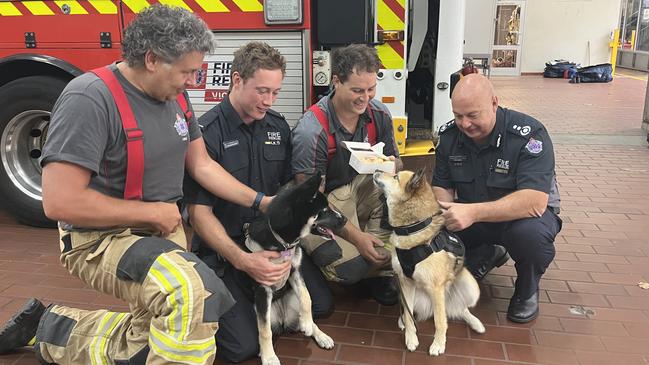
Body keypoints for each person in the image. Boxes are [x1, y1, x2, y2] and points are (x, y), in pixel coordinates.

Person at [0, 5, 276, 364]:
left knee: (151, 342)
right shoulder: (89, 99)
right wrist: (152, 212)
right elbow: (59, 203)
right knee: (192, 295)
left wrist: (262, 202)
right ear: (151, 59)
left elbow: (202, 165)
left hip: (161, 231)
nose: (192, 81)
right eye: (187, 71)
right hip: (100, 241)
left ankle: (50, 327)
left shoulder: (176, 95)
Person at [182, 41, 333, 363]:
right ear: (237, 80)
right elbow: (198, 214)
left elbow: (289, 192)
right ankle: (243, 302)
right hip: (229, 249)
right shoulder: (206, 134)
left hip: (273, 243)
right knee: (242, 349)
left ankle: (262, 305)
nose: (269, 101)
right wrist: (243, 260)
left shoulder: (277, 126)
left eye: (275, 92)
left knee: (321, 307)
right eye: (262, 91)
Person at [432, 73, 562, 323]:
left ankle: (527, 289)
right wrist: (445, 211)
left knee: (530, 237)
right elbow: (442, 186)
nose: (465, 124)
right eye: (458, 115)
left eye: (473, 115)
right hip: (475, 218)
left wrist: (472, 213)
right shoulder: (450, 137)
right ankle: (487, 251)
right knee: (434, 232)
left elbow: (534, 202)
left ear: (494, 103)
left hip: (522, 219)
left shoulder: (529, 135)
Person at [291, 44, 402, 306]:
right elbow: (311, 200)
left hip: (360, 196)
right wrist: (358, 239)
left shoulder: (379, 115)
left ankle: (377, 272)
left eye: (371, 89)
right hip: (322, 208)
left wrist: (388, 164)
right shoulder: (312, 131)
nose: (366, 98)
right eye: (357, 90)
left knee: (393, 191)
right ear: (336, 82)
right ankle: (309, 253)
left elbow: (398, 163)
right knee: (349, 271)